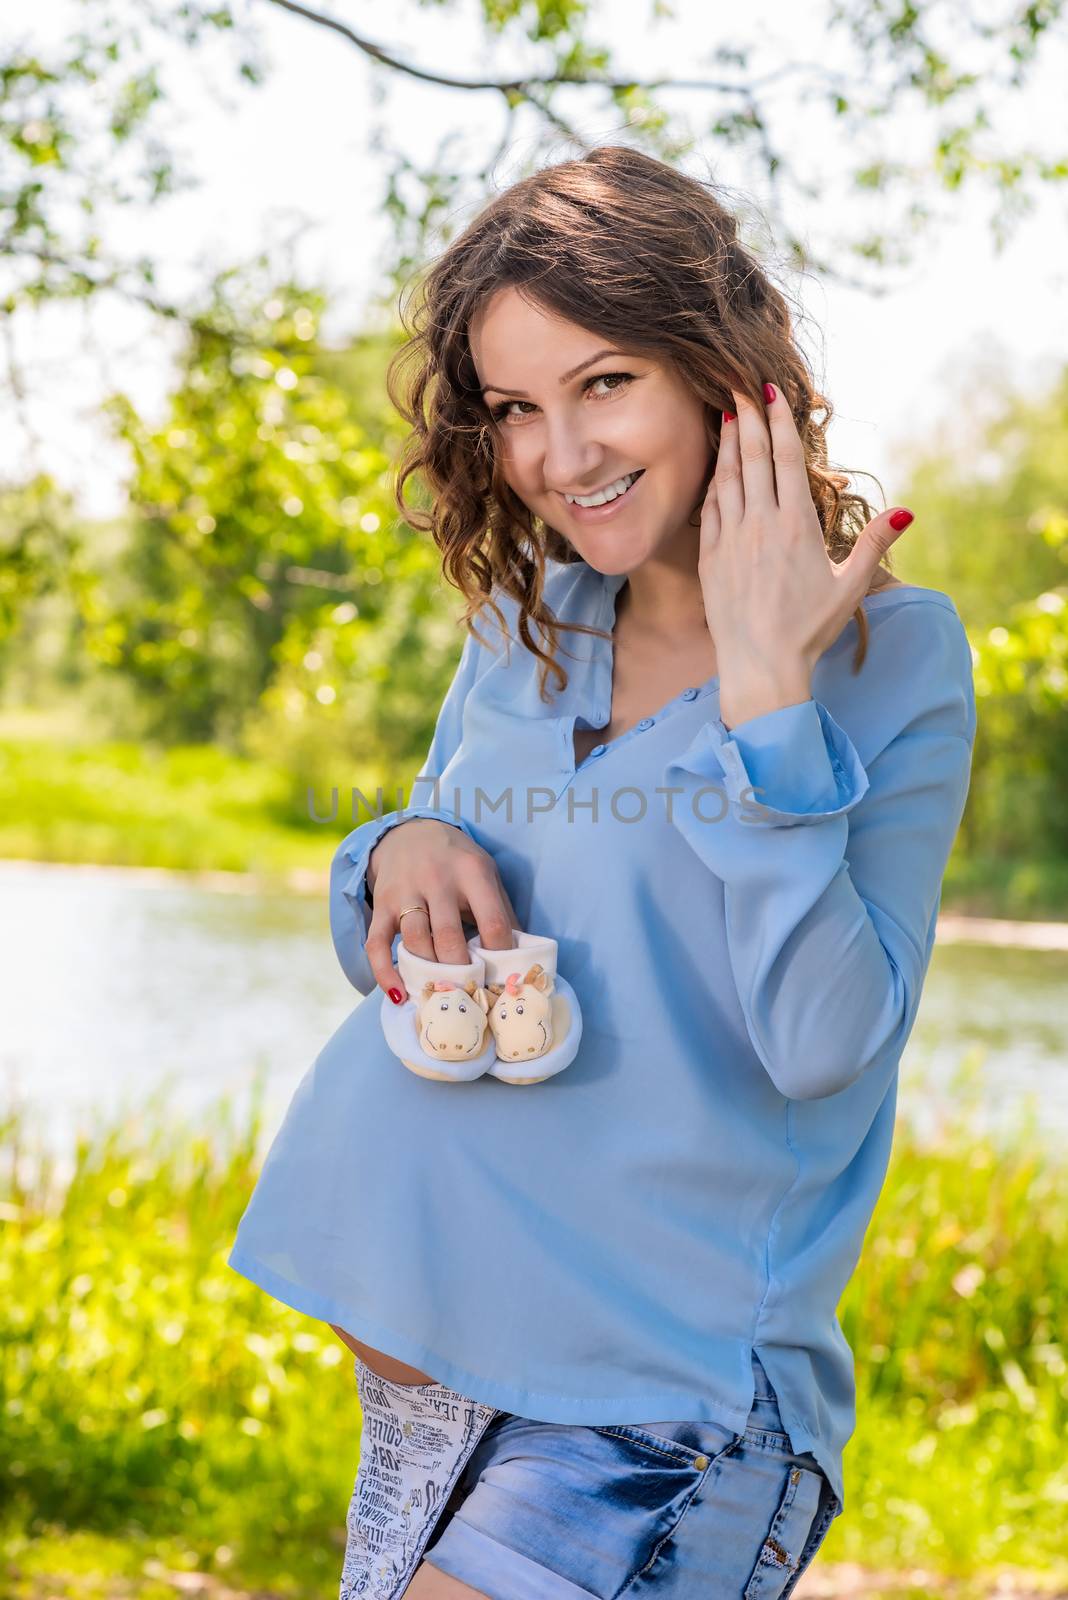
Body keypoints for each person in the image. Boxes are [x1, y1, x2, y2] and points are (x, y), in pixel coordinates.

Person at [227, 146, 976, 1598]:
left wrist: (770, 703)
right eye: (516, 407)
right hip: (432, 1381)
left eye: (604, 383)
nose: (556, 456)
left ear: (720, 369)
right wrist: (395, 846)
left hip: (664, 1400)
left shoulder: (895, 656)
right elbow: (441, 946)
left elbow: (825, 1043)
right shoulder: (530, 622)